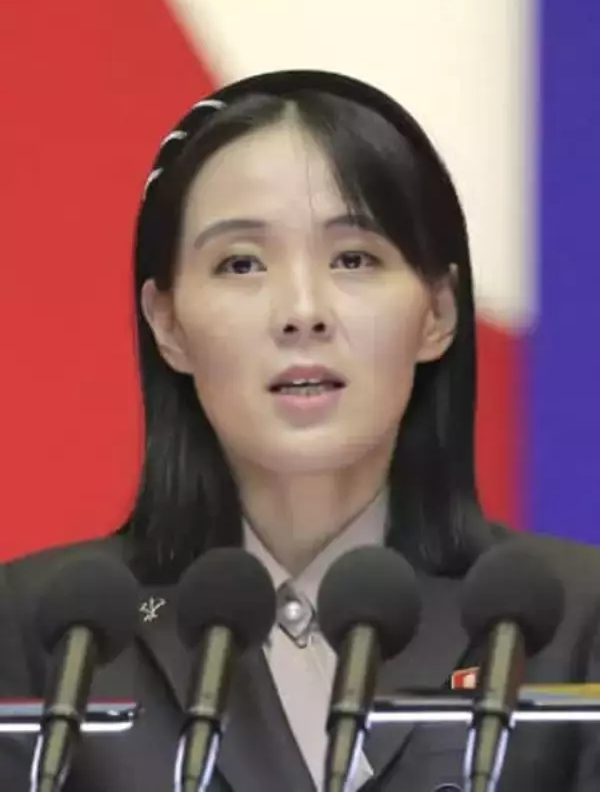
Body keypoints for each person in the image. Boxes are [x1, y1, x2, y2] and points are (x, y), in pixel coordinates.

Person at [1, 69, 600, 792]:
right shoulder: (40, 631)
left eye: (354, 259)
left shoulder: (575, 622)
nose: (302, 312)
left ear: (438, 312)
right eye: (241, 264)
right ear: (167, 324)